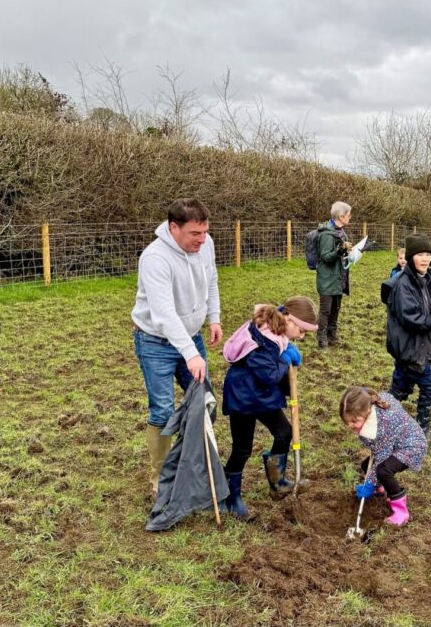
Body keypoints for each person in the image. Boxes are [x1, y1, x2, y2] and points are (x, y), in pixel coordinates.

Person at [133, 198, 222, 495]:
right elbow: (164, 315)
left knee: (205, 404)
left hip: (191, 337)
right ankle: (161, 480)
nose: (202, 239)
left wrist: (213, 317)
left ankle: (193, 465)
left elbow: (211, 279)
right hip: (154, 342)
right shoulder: (155, 258)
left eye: (205, 232)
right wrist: (191, 354)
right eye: (195, 233)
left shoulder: (205, 245)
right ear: (174, 228)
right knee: (162, 411)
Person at [220, 297, 318, 519]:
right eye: (301, 331)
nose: (302, 336)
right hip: (243, 397)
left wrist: (285, 353)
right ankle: (230, 499)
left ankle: (277, 482)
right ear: (289, 319)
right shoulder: (263, 338)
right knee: (242, 449)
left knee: (284, 432)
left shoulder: (277, 330)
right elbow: (269, 375)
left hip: (261, 394)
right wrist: (285, 360)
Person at [380, 233, 431, 438]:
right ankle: (421, 432)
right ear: (411, 257)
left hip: (417, 344)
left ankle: (377, 418)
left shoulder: (425, 279)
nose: (425, 259)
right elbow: (410, 318)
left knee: (399, 389)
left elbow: (428, 310)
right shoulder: (404, 284)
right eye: (420, 254)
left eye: (428, 254)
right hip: (410, 347)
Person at [339, 386, 428, 526]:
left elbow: (382, 458)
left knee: (383, 471)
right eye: (347, 421)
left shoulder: (382, 425)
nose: (350, 425)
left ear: (367, 412)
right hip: (394, 442)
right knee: (366, 465)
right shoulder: (369, 403)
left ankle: (401, 512)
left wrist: (370, 483)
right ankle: (379, 488)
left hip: (411, 446)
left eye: (354, 421)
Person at [315, 201, 353, 348]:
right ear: (341, 216)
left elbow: (340, 254)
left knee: (336, 307)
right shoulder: (327, 234)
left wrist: (350, 253)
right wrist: (340, 250)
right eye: (348, 215)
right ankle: (322, 339)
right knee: (326, 310)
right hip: (327, 278)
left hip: (338, 276)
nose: (350, 217)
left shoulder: (341, 232)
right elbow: (326, 257)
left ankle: (332, 336)